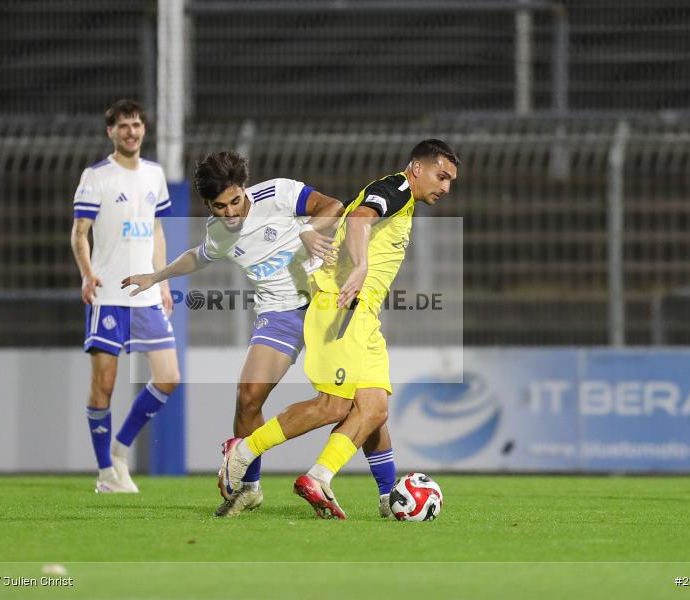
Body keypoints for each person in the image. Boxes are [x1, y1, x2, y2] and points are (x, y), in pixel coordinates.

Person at [122, 150, 398, 517]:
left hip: (326, 302)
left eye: (236, 201)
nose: (231, 212)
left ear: (245, 188)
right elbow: (199, 255)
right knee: (248, 395)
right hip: (280, 314)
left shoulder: (279, 194)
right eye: (220, 206)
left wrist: (307, 230)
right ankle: (249, 488)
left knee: (363, 403)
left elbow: (332, 205)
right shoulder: (219, 231)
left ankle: (388, 493)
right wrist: (156, 276)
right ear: (208, 204)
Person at [217, 139, 459, 519]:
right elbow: (360, 217)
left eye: (450, 181)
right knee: (334, 405)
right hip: (341, 305)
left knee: (374, 407)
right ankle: (243, 452)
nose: (445, 187)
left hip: (366, 315)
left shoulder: (405, 202)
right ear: (417, 168)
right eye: (441, 176)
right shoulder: (396, 188)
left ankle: (320, 476)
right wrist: (360, 266)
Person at [70, 99, 180, 493]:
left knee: (168, 377)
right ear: (111, 132)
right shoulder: (96, 176)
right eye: (123, 126)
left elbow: (157, 232)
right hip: (109, 295)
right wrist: (87, 275)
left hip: (147, 296)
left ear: (143, 130)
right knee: (105, 384)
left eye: (136, 125)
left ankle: (120, 449)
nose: (131, 132)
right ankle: (105, 474)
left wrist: (163, 281)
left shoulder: (154, 174)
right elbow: (80, 232)